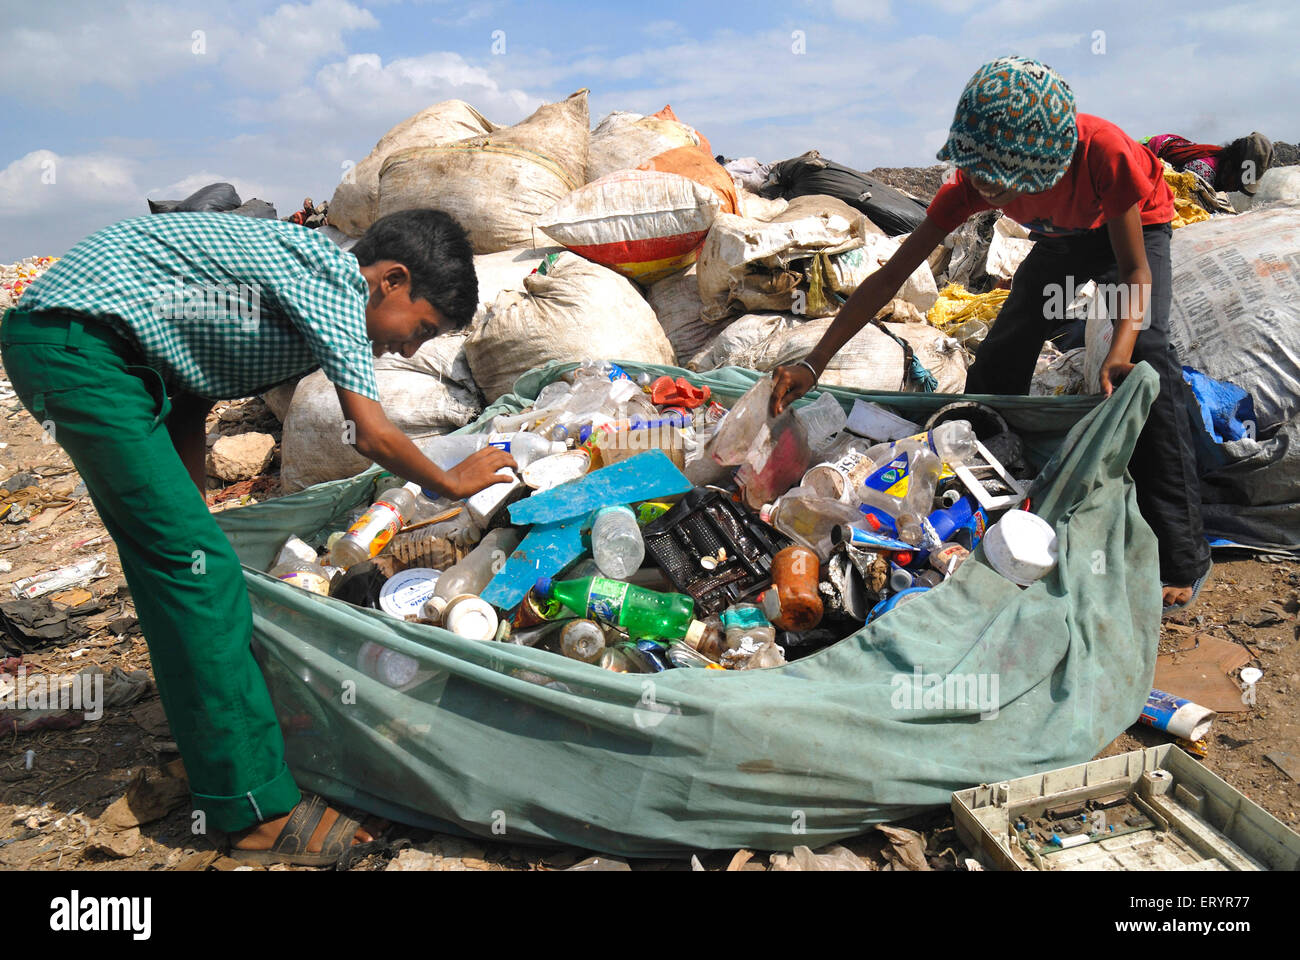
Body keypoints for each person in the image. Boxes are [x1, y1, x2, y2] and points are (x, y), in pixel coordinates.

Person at [0, 208, 515, 866]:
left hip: (106, 355)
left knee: (188, 560)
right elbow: (370, 432)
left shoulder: (292, 291)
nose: (409, 350)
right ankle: (254, 813)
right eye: (419, 329)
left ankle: (214, 737)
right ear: (390, 279)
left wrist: (190, 506)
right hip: (81, 350)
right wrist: (452, 480)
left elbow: (187, 382)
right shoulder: (332, 277)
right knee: (199, 575)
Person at [770, 56, 1212, 615]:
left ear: (1046, 170)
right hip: (1063, 243)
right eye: (981, 181)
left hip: (1134, 234)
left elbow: (1134, 274)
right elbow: (889, 277)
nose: (988, 195)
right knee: (1000, 356)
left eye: (1003, 188)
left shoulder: (1108, 155)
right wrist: (814, 362)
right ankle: (1000, 485)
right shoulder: (972, 186)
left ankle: (1182, 553)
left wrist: (1120, 350)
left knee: (1149, 361)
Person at [1143, 132, 1274, 196]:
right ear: (1230, 167)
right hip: (1143, 158)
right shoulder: (1201, 172)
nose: (1235, 189)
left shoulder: (1220, 173)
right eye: (1238, 183)